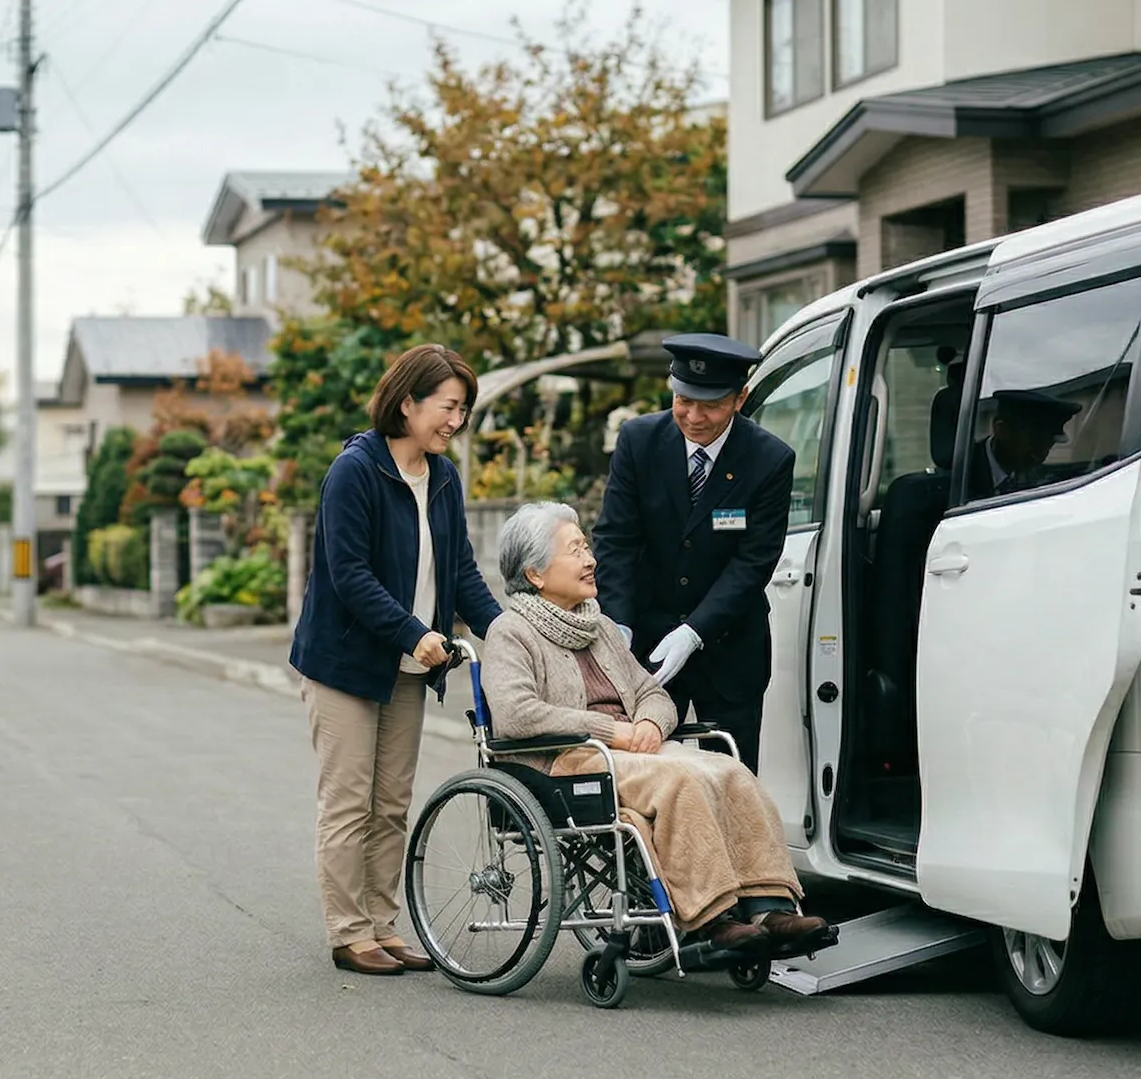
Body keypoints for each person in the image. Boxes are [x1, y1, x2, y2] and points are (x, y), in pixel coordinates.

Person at [482, 502, 834, 954]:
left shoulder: (601, 627)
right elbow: (516, 713)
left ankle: (769, 906)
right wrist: (611, 732)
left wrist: (649, 721)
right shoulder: (511, 632)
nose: (591, 560)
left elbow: (652, 692)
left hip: (629, 750)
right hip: (567, 759)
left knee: (730, 771)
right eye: (575, 550)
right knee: (681, 782)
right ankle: (712, 917)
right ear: (535, 574)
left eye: (587, 546)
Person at [289, 344, 503, 977]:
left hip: (412, 666)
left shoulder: (441, 476)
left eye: (462, 409)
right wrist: (414, 633)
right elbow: (348, 574)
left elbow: (461, 569)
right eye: (447, 407)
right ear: (406, 402)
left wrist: (510, 633)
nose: (455, 421)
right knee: (349, 804)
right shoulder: (355, 471)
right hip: (347, 665)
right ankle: (348, 932)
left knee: (390, 805)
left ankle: (382, 926)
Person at [593, 333, 790, 773]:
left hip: (729, 648)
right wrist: (619, 624)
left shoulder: (769, 459)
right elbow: (616, 539)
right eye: (684, 400)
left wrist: (694, 631)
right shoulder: (639, 441)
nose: (694, 416)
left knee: (733, 781)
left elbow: (754, 561)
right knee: (646, 779)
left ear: (740, 398)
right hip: (645, 646)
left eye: (711, 405)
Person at [964, 389, 1081, 499]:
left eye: (1049, 445)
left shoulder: (1037, 478)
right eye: (1034, 442)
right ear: (1001, 429)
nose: (1041, 455)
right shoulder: (961, 473)